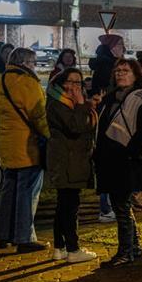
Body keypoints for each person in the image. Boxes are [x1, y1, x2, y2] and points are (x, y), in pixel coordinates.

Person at [94, 58, 142, 267]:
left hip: (126, 161)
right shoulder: (111, 97)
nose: (120, 74)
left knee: (121, 207)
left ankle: (125, 252)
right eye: (117, 70)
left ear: (135, 74)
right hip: (110, 159)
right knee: (122, 206)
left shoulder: (141, 98)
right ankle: (134, 248)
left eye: (125, 70)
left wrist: (130, 153)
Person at [0, 48, 50, 253]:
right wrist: (49, 136)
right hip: (28, 145)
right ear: (25, 62)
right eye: (33, 62)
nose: (35, 66)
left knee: (9, 191)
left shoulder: (1, 80)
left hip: (8, 143)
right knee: (28, 192)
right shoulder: (27, 83)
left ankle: (4, 234)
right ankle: (24, 237)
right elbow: (38, 116)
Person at [46, 68, 99, 264]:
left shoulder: (67, 103)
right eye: (72, 82)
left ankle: (59, 247)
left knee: (64, 205)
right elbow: (76, 126)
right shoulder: (58, 105)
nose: (76, 87)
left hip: (71, 160)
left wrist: (86, 106)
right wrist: (82, 105)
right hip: (67, 161)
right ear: (62, 84)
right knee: (69, 206)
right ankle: (73, 249)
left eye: (79, 83)